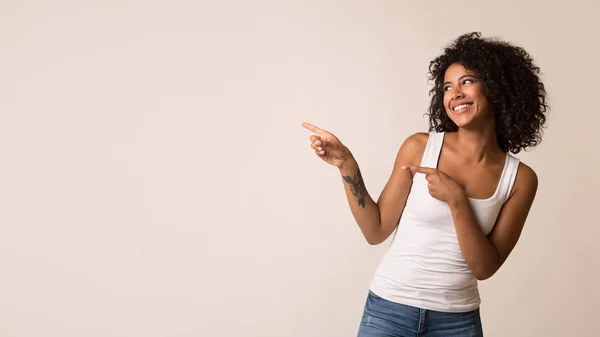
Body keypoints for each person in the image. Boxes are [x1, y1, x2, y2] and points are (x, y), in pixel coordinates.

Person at [301, 32, 548, 337]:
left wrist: (457, 201)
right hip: (388, 311)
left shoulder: (520, 179)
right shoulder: (419, 147)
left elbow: (484, 268)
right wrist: (346, 165)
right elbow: (375, 230)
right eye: (447, 86)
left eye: (467, 81)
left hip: (457, 323)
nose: (454, 93)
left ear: (497, 88)